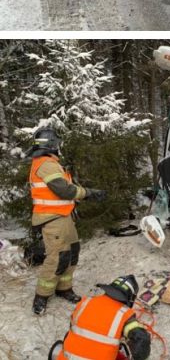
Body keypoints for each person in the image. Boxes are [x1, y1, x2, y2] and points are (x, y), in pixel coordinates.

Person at [28, 126, 106, 315]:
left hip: (63, 217)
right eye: (58, 144)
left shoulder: (50, 163)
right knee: (57, 257)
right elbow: (65, 190)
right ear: (52, 145)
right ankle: (41, 296)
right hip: (52, 218)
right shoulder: (45, 164)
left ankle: (64, 288)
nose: (59, 147)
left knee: (72, 252)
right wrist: (89, 193)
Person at [48, 275, 151, 360]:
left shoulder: (85, 302)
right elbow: (142, 340)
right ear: (130, 298)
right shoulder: (125, 315)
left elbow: (74, 328)